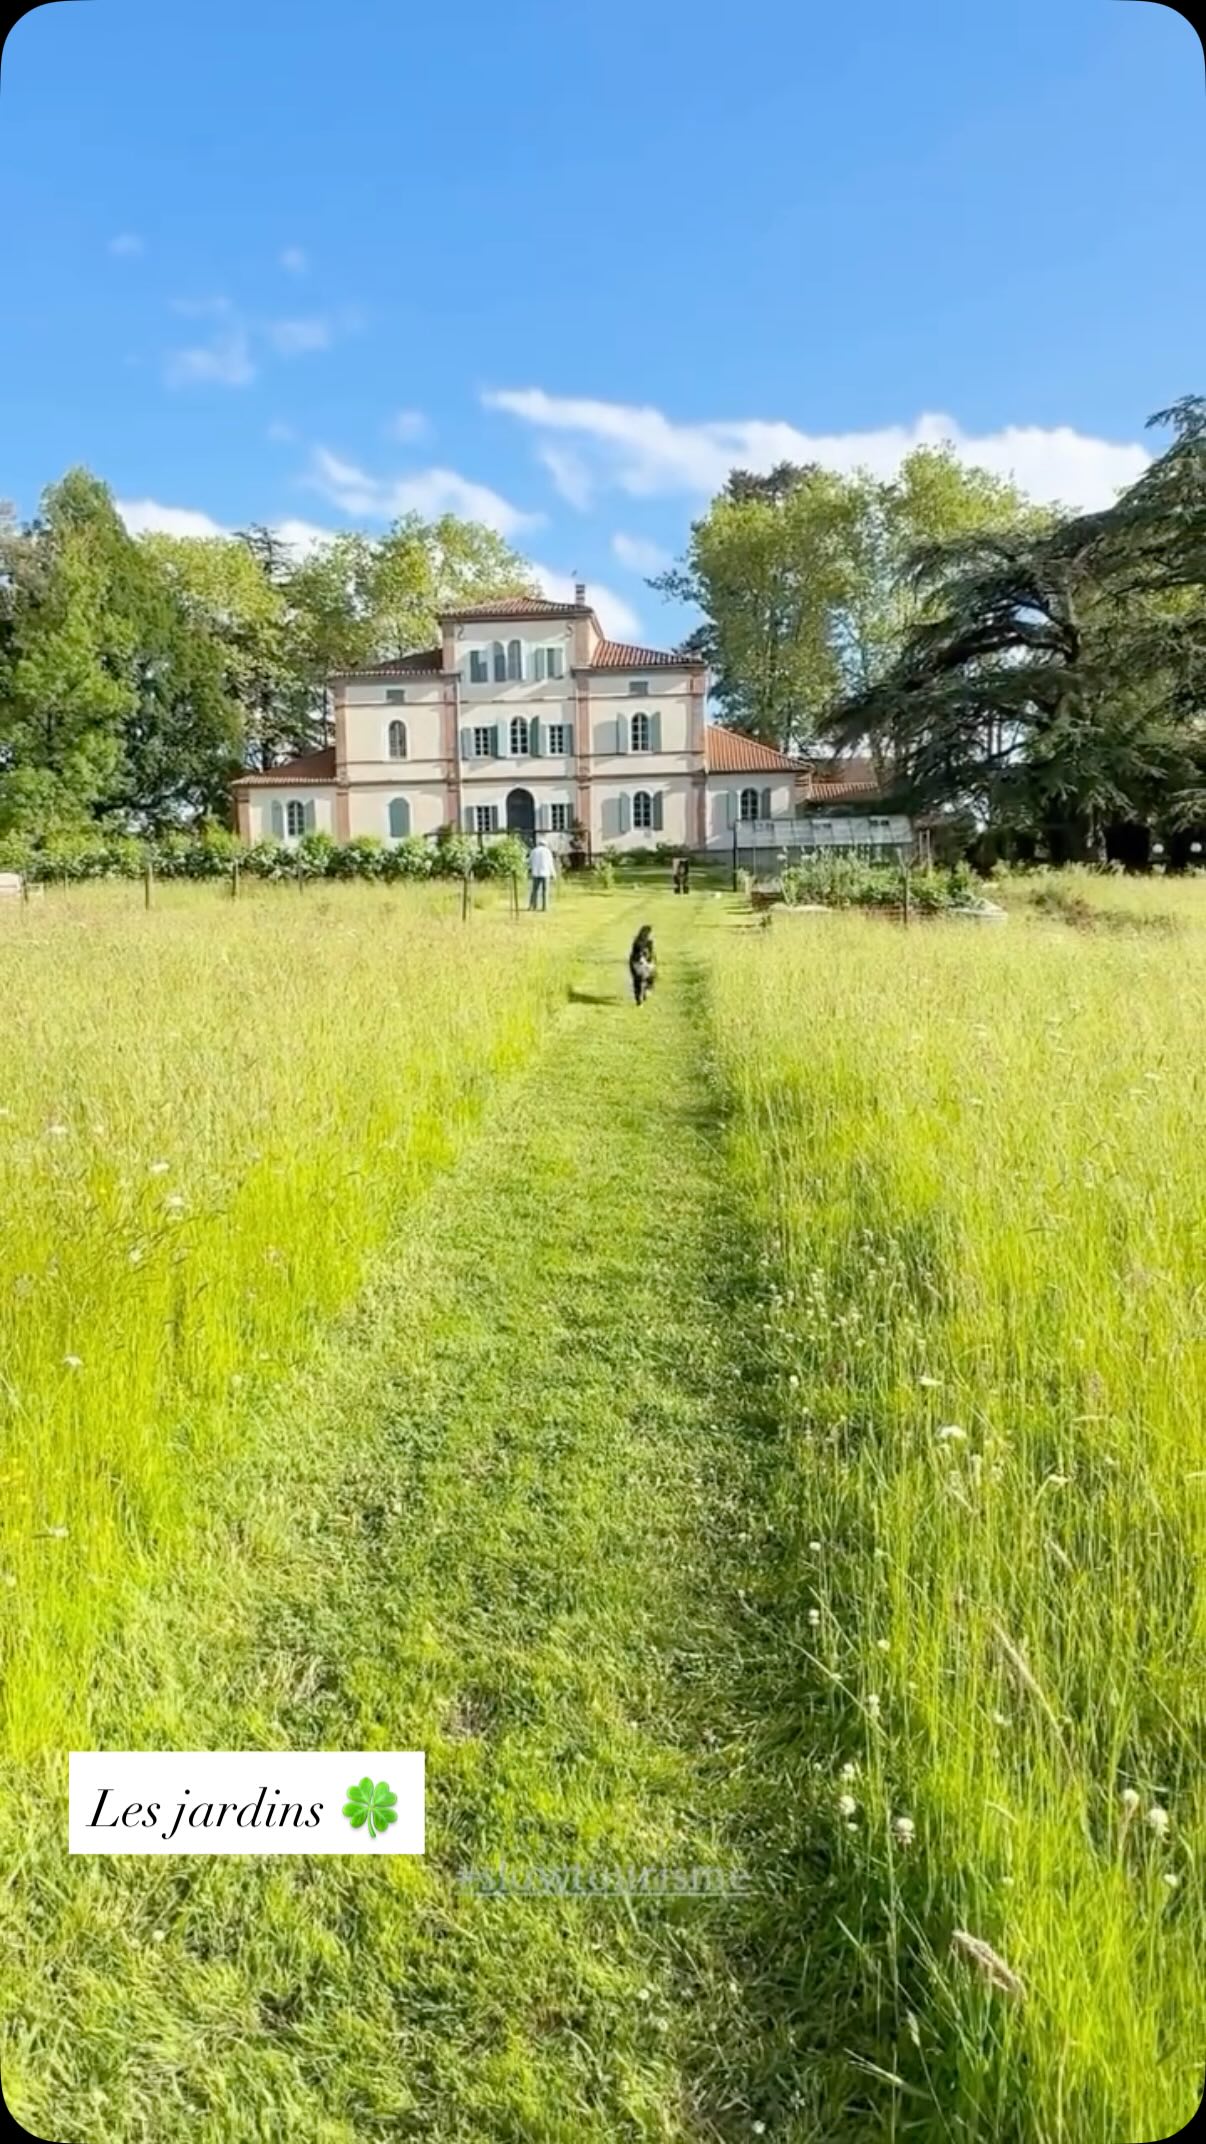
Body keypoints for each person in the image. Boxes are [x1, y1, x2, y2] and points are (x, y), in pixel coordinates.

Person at [628, 924, 657, 1006]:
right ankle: (640, 998)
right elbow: (637, 956)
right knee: (640, 980)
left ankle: (643, 994)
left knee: (647, 978)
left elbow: (651, 955)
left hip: (642, 963)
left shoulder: (648, 942)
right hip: (638, 964)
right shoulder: (639, 943)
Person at [527, 834, 555, 911]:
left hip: (535, 873)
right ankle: (544, 907)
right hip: (545, 873)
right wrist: (553, 873)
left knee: (534, 890)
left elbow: (529, 862)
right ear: (545, 845)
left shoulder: (534, 851)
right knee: (545, 891)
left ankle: (532, 906)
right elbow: (550, 863)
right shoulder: (547, 851)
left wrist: (529, 870)